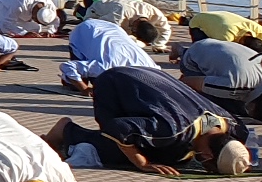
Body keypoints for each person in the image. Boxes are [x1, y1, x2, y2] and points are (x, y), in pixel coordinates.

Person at [52, 65, 248, 176]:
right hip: (115, 83)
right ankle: (66, 130)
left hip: (151, 76)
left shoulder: (234, 126)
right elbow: (117, 128)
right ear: (206, 152)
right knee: (121, 147)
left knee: (176, 154)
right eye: (207, 163)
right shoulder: (172, 129)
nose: (202, 164)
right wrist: (143, 163)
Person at [180, 33, 262, 125]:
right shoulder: (236, 85)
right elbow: (189, 82)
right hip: (192, 58)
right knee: (223, 101)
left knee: (231, 95)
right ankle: (182, 52)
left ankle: (180, 50)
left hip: (220, 46)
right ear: (252, 108)